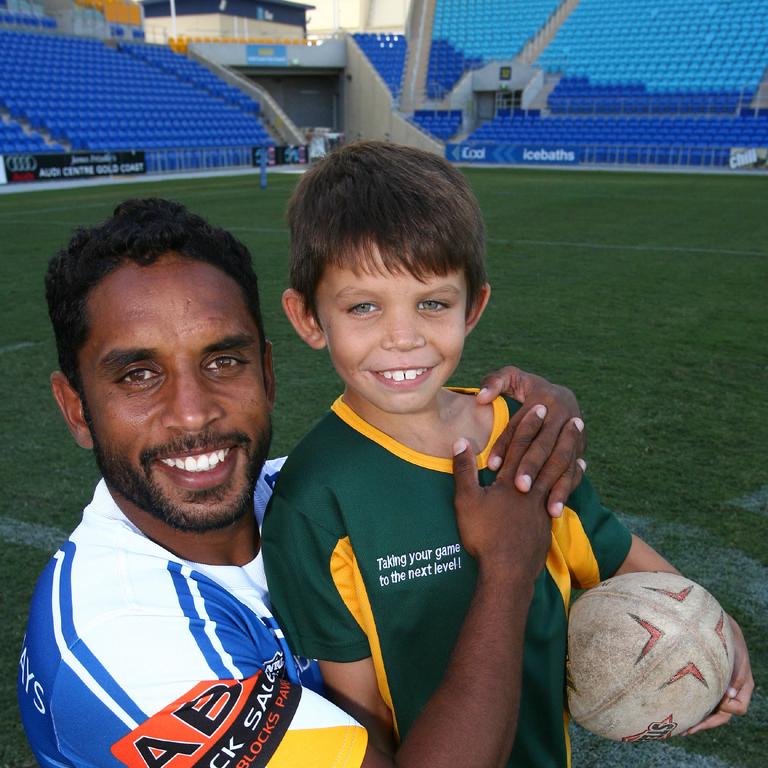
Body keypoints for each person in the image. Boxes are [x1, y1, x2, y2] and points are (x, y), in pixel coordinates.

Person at [19, 197, 590, 768]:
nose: (193, 414)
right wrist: (508, 572)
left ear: (267, 374)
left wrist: (534, 420)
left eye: (223, 362)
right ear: (75, 409)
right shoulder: (122, 643)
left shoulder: (306, 491)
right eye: (139, 375)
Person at [261, 141, 754, 766]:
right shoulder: (314, 501)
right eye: (363, 307)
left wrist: (713, 630)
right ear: (308, 318)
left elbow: (617, 557)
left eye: (433, 303)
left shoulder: (523, 433)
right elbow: (360, 714)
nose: (404, 337)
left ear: (475, 308)